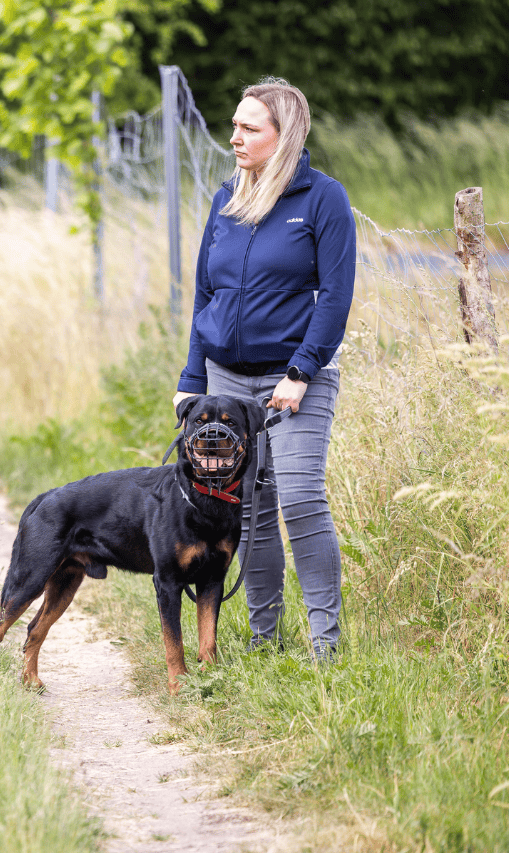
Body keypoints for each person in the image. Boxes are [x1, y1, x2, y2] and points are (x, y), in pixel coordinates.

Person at [172, 78, 355, 662]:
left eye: (250, 128)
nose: (235, 137)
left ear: (284, 136)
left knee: (299, 499)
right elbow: (206, 294)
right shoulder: (229, 197)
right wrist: (192, 377)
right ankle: (263, 639)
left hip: (295, 379)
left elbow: (335, 295)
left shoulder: (322, 199)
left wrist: (301, 372)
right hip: (226, 378)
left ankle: (326, 645)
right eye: (234, 125)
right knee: (247, 509)